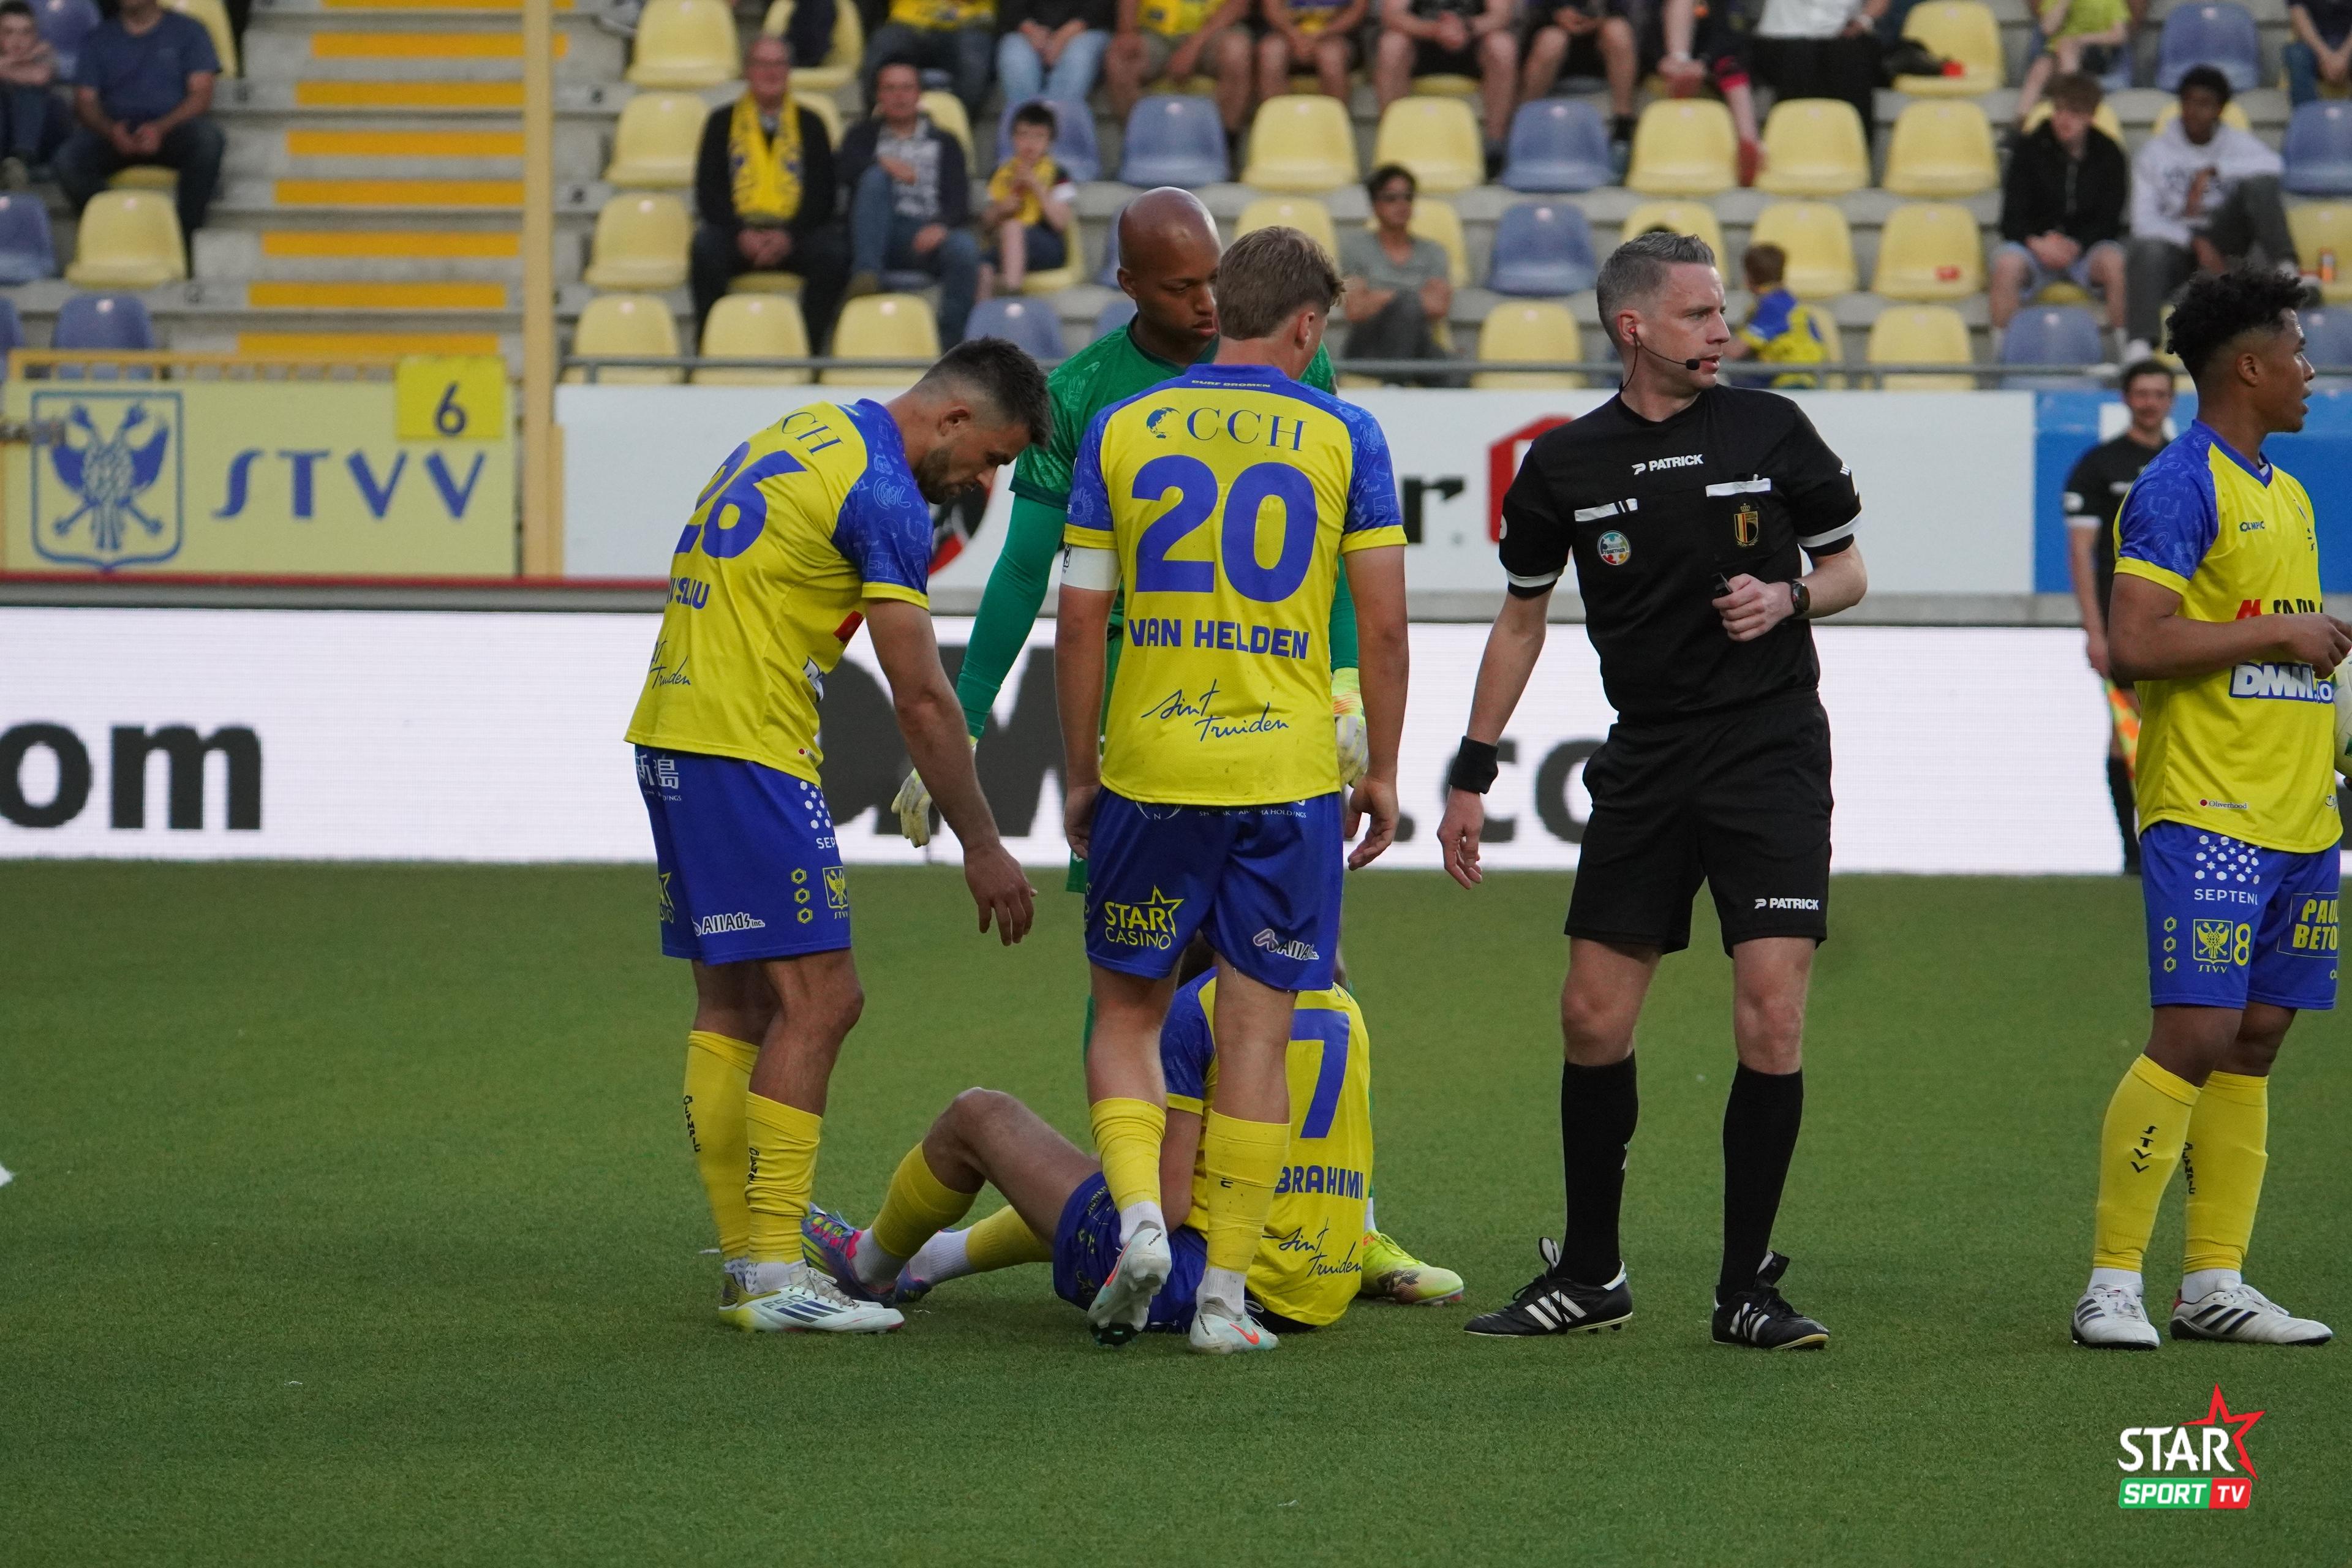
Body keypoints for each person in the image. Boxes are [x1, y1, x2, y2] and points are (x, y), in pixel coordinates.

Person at [894, 189, 1461, 1312]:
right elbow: (1025, 578)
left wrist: (1344, 685)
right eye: (1178, 286)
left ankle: (1339, 1221)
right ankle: (1162, 1234)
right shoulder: (1080, 396)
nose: (1203, 302)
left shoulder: (1286, 387)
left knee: (1292, 998)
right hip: (1169, 748)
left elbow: (1332, 561)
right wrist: (959, 717)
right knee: (1162, 999)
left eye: (1213, 280)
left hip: (1223, 740)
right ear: (1129, 288)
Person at [1435, 230, 1869, 1351]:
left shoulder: (1772, 427)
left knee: (1772, 1011)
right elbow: (1523, 619)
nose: (1722, 331)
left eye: (1723, 314)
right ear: (1634, 328)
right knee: (1591, 1017)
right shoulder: (1563, 467)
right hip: (1645, 754)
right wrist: (1473, 768)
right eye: (1698, 315)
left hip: (1770, 748)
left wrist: (1791, 598)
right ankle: (1590, 1275)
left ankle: (1745, 1291)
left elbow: (1850, 567)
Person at [623, 340, 1051, 1335]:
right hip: (749, 748)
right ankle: (773, 1274)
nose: (984, 481)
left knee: (733, 1006)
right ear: (952, 422)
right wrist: (982, 843)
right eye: (990, 458)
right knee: (824, 998)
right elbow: (921, 695)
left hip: (673, 733)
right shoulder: (888, 495)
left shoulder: (809, 430)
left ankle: (748, 1263)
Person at [1055, 225, 1410, 1354]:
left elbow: (1080, 618)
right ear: (1307, 323)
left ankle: (1146, 1221)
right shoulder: (1345, 432)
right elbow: (1387, 625)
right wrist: (1387, 766)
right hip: (1287, 774)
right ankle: (1223, 1302)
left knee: (1128, 1013)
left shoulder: (1122, 426)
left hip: (1154, 764)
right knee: (1259, 1031)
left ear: (1218, 308)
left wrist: (1079, 770)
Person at [2068, 268, 2345, 1352]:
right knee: (2195, 1029)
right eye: (2297, 349)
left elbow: (2297, 656)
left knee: (2260, 1036)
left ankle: (2213, 1282)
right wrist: (2280, 634)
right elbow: (2138, 645)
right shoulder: (2181, 485)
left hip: (2298, 815)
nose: (2311, 369)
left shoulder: (2289, 492)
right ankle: (2110, 1283)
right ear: (2249, 366)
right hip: (2211, 804)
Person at [801, 937, 1461, 1341]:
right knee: (1098, 1174)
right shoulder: (1344, 1007)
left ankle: (871, 1268)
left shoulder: (1195, 1008)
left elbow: (1165, 1208)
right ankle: (934, 1260)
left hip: (1204, 1282)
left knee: (981, 1117)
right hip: (1321, 1289)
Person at [2062, 360, 2173, 876]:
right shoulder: (2099, 465)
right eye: (2141, 393)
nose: (2149, 402)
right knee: (2127, 728)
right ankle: (2133, 851)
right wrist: (2095, 631)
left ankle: (2167, 846)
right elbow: (2081, 553)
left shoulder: (2184, 462)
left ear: (2171, 400)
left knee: (2176, 732)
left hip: (2184, 621)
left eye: (2159, 393)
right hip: (2124, 621)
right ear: (2127, 399)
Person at [2124, 67, 2297, 363]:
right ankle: (2140, 345)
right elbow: (2143, 222)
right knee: (2145, 248)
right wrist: (2194, 240)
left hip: (2226, 239)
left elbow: (2275, 166)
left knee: (2260, 184)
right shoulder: (2154, 153)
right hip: (2175, 249)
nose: (2194, 111)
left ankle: (2288, 268)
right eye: (2188, 101)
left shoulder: (2234, 142)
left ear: (2220, 110)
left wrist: (2216, 170)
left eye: (2205, 104)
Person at [688, 36, 848, 347]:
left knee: (833, 253)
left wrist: (789, 236)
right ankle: (708, 345)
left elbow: (823, 194)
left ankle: (810, 346)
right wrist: (740, 233)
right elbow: (709, 192)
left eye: (778, 64)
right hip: (738, 233)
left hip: (794, 234)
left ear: (789, 71)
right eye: (763, 65)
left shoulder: (811, 124)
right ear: (748, 71)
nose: (771, 73)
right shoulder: (720, 122)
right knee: (705, 248)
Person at [53, 0, 222, 247]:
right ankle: (120, 227)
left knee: (208, 140)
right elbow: (84, 101)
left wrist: (161, 128)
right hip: (114, 133)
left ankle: (182, 239)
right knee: (67, 160)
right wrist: (111, 132)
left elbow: (202, 94)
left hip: (170, 130)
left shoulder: (189, 30)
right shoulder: (99, 37)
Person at [839, 61, 982, 345]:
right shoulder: (862, 136)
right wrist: (881, 162)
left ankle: (950, 344)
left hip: (924, 234)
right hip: (874, 231)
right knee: (876, 178)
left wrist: (941, 226)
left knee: (964, 247)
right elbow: (841, 169)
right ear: (879, 96)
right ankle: (866, 276)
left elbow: (959, 197)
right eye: (890, 89)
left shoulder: (946, 142)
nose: (899, 96)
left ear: (919, 95)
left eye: (907, 88)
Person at [1991, 71, 2128, 336]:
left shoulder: (2110, 154)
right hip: (2035, 248)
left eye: (2075, 112)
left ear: (2091, 115)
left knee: (2117, 263)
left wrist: (2076, 245)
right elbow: (2011, 216)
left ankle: (2127, 354)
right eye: (2059, 110)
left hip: (2086, 250)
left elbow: (2109, 218)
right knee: (2006, 265)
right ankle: (2003, 359)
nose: (2064, 119)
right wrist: (2037, 243)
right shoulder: (2029, 149)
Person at [1338, 162, 1455, 381]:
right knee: (1409, 308)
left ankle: (1395, 385)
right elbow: (1356, 309)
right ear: (1375, 205)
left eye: (1408, 197)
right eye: (1391, 198)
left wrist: (1382, 296)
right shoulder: (1356, 248)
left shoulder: (1433, 252)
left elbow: (1438, 306)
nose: (1401, 205)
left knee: (1457, 377)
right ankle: (1399, 382)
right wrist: (1406, 298)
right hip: (1368, 350)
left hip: (1415, 347)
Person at [1374, 0, 1519, 173]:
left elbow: (1500, 16)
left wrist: (1465, 28)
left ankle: (1494, 146)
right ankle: (1394, 141)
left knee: (1502, 46)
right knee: (1392, 44)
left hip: (1472, 41)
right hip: (1421, 41)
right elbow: (1393, 15)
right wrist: (1434, 30)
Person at [1104, 0, 1255, 160]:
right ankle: (1141, 144)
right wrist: (1127, 31)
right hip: (1156, 33)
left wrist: (1192, 48)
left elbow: (1239, 5)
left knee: (1236, 51)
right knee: (1120, 58)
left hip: (1212, 34)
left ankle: (1223, 147)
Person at [1743, 0, 1885, 156]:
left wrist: (1863, 21)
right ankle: (1788, 152)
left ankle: (1853, 153)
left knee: (1854, 58)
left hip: (1840, 39)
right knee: (1799, 58)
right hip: (1781, 38)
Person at [1519, 0, 1641, 174]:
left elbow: (1629, 12)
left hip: (1600, 46)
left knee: (1618, 30)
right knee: (1551, 40)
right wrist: (1556, 16)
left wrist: (1599, 19)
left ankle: (1622, 128)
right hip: (1551, 38)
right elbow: (1531, 13)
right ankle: (1525, 124)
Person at [1657, 0, 1766, 184]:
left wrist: (1703, 63)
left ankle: (1749, 144)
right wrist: (1669, 62)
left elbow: (1730, 37)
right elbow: (1647, 35)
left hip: (1715, 59)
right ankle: (1679, 63)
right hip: (1672, 62)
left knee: (1732, 70)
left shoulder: (1724, 7)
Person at [979, 99, 1074, 296]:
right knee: (982, 268)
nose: (1030, 144)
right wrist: (1000, 209)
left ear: (1049, 142)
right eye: (1023, 136)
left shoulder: (1058, 174)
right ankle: (982, 321)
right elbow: (986, 225)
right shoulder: (1001, 173)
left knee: (1013, 227)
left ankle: (1011, 294)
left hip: (1046, 245)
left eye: (1039, 137)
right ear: (1013, 138)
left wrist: (1036, 186)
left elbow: (1060, 223)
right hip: (1004, 244)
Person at [862, 0, 995, 121]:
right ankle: (878, 132)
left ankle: (952, 137)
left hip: (972, 24)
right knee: (882, 50)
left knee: (972, 71)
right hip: (907, 21)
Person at [1723, 241, 1828, 387]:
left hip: (1795, 382)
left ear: (1748, 279)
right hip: (1801, 376)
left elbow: (1736, 351)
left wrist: (1701, 341)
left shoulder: (1772, 306)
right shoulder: (1785, 300)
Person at [2012, 0, 2127, 129]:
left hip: (2095, 53)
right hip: (2057, 56)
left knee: (2067, 47)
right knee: (2041, 66)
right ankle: (2020, 123)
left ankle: (2068, 104)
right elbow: (2047, 29)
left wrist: (2082, 39)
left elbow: (2119, 35)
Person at [995, 0, 1115, 106]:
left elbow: (1100, 7)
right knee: (1016, 60)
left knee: (1078, 58)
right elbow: (1010, 7)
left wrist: (1062, 37)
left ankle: (1058, 122)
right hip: (1025, 29)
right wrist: (1031, 31)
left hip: (1087, 28)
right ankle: (1030, 122)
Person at [1256, 0, 1366, 110]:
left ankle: (1331, 122)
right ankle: (1277, 121)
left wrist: (1321, 35)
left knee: (1331, 56)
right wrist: (1295, 36)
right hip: (1287, 33)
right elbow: (1272, 9)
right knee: (1271, 52)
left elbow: (1357, 11)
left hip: (1336, 35)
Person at [0, 0, 65, 185]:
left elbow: (39, 77)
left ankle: (22, 161)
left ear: (36, 35)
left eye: (25, 32)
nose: (18, 41)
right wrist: (25, 59)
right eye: (9, 32)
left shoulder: (45, 55)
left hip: (43, 143)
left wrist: (7, 66)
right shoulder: (35, 55)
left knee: (31, 93)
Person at [2285, 0, 2352, 107]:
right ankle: (2308, 118)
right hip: (2313, 45)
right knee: (2296, 55)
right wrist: (2325, 57)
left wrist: (2343, 56)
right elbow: (2299, 17)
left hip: (2349, 46)